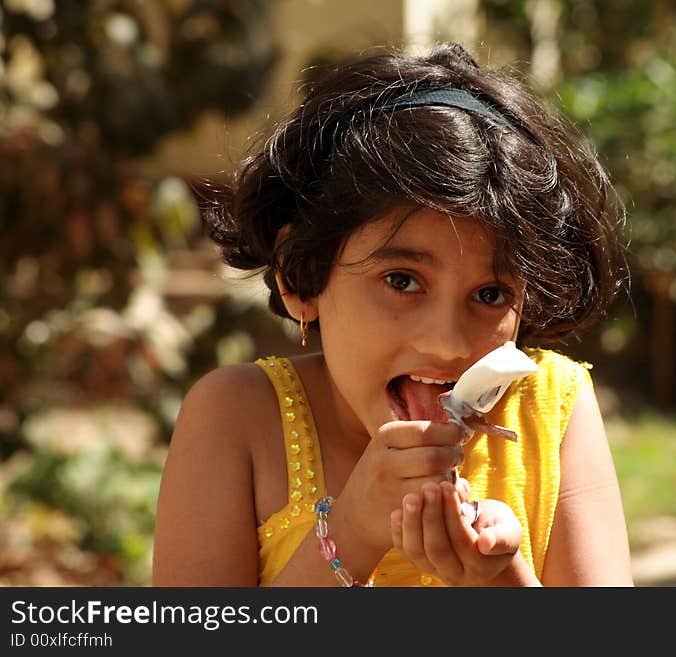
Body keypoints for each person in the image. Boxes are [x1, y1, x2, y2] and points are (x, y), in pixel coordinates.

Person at [152, 42, 633, 587]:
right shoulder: (237, 418)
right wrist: (353, 530)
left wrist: (499, 578)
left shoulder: (553, 410)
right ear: (300, 277)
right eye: (402, 282)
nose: (448, 345)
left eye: (491, 294)